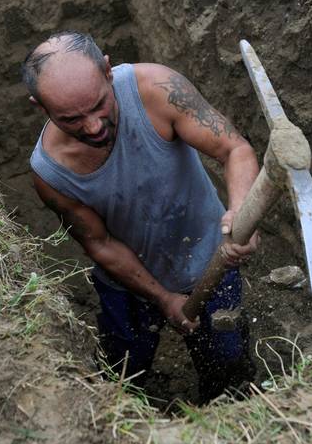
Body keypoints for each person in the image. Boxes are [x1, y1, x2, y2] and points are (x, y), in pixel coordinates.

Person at [24, 30, 260, 401]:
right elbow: (99, 244)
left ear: (107, 71)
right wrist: (164, 299)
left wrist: (241, 212)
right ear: (40, 107)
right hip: (129, 284)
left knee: (226, 361)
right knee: (123, 370)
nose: (93, 126)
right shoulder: (51, 173)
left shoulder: (156, 89)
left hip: (210, 259)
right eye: (72, 119)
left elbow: (233, 149)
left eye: (99, 105)